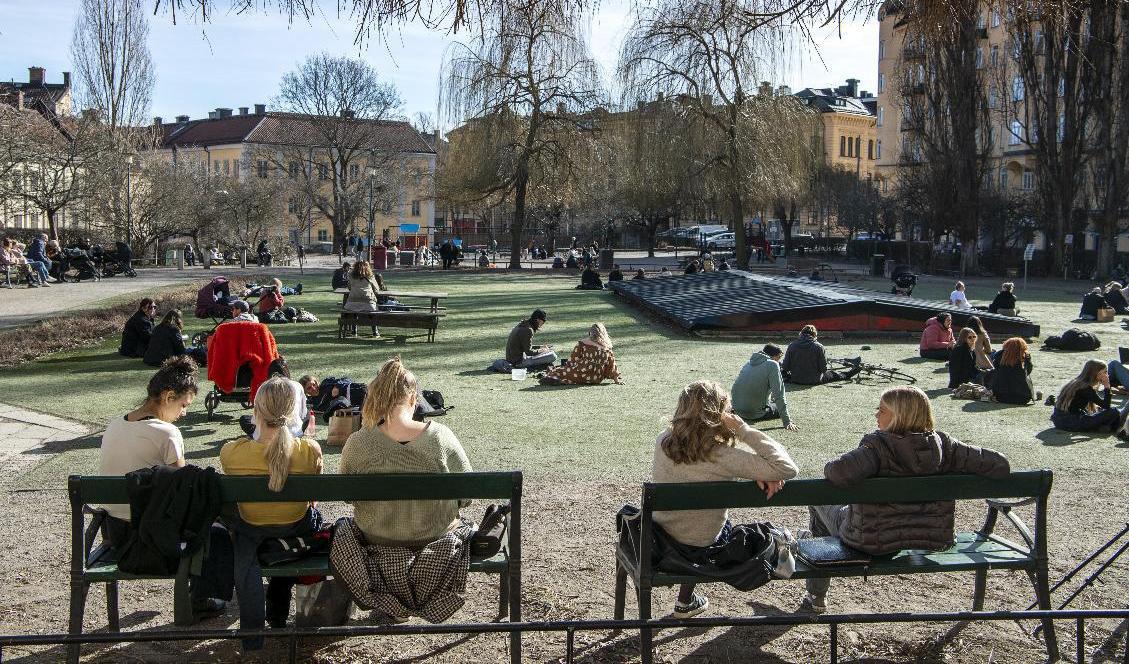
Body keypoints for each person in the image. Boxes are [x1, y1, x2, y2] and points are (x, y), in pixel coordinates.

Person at [801, 386, 1010, 613]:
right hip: (930, 537)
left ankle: (816, 591)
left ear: (899, 415)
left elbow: (836, 472)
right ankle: (815, 584)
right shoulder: (945, 445)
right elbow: (1000, 465)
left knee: (818, 500)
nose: (876, 415)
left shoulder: (877, 448)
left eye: (881, 410)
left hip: (871, 539)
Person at [651, 380, 799, 618]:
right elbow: (787, 468)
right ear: (718, 416)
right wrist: (744, 431)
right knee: (715, 526)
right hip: (703, 547)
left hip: (662, 540)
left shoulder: (662, 442)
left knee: (696, 521)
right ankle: (685, 601)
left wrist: (761, 472)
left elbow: (696, 467)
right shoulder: (723, 457)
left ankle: (685, 601)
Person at [99, 357, 230, 618]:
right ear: (169, 396)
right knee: (218, 531)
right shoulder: (167, 433)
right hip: (151, 539)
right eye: (183, 405)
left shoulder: (114, 425)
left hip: (114, 532)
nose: (183, 413)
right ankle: (201, 599)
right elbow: (185, 492)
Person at [221, 377, 324, 650]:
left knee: (244, 530)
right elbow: (313, 499)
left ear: (256, 411)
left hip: (253, 529)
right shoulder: (309, 450)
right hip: (295, 528)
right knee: (309, 518)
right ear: (293, 412)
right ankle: (278, 607)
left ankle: (254, 638)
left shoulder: (232, 453)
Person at [339, 358, 472, 547]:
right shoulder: (441, 437)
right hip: (436, 535)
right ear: (413, 399)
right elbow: (466, 494)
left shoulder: (358, 442)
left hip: (376, 537)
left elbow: (348, 495)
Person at [730, 344, 798, 431]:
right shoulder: (773, 364)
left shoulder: (748, 363)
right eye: (779, 357)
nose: (779, 361)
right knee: (779, 407)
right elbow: (779, 394)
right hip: (754, 413)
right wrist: (787, 421)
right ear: (773, 356)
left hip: (737, 409)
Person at [1050, 360, 1129, 432]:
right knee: (1114, 411)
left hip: (1059, 420)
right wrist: (1107, 387)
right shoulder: (1085, 388)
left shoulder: (1075, 382)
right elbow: (1106, 406)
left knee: (1100, 411)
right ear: (1097, 373)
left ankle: (1104, 427)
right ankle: (1109, 428)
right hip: (1071, 422)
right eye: (1105, 372)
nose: (1107, 375)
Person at [538, 323, 623, 386]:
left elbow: (573, 358)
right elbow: (611, 365)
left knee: (559, 371)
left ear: (590, 332)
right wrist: (616, 379)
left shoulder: (583, 343)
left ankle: (555, 378)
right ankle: (559, 379)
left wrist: (569, 366)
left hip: (581, 373)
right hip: (596, 378)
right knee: (564, 372)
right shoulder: (607, 347)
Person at [781, 325, 861, 385]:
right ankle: (851, 372)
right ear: (814, 335)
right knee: (835, 375)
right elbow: (823, 369)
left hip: (796, 379)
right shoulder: (818, 346)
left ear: (801, 333)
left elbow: (785, 367)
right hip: (815, 379)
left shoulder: (792, 345)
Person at [986, 338, 1035, 405]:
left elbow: (995, 369)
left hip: (1001, 396)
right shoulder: (1023, 357)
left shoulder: (999, 355)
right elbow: (1028, 371)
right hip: (1023, 398)